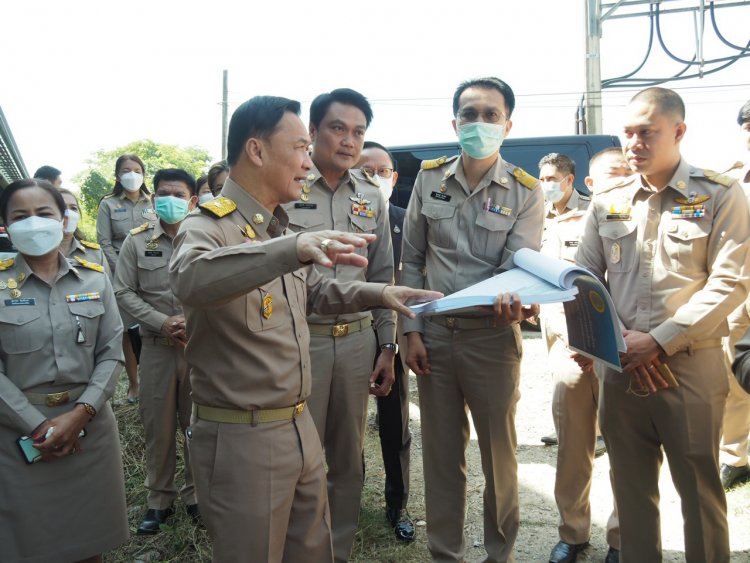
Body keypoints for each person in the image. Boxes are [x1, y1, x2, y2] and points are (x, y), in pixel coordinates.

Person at [168, 95, 440, 563]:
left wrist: (380, 295)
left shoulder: (277, 231)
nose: (306, 158)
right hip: (245, 437)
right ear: (256, 151)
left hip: (297, 426)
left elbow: (314, 293)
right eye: (299, 146)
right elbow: (190, 279)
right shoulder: (209, 225)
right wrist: (290, 248)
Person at [575, 87, 750, 562]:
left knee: (699, 493)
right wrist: (613, 343)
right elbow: (584, 279)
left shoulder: (720, 194)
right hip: (623, 367)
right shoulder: (607, 200)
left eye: (647, 132)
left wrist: (659, 341)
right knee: (630, 496)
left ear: (679, 131)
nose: (634, 143)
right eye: (628, 133)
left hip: (690, 367)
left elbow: (730, 282)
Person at [401, 76, 544, 563]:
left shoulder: (525, 190)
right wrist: (410, 331)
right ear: (455, 122)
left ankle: (499, 554)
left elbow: (519, 267)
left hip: (491, 340)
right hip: (435, 340)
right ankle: (446, 554)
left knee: (499, 459)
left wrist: (517, 300)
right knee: (442, 459)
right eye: (469, 114)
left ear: (508, 124)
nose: (479, 123)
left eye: (490, 114)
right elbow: (411, 260)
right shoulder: (428, 177)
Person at [283, 88, 396, 562]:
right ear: (312, 132)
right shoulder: (288, 185)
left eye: (358, 132)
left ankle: (337, 551)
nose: (349, 141)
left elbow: (383, 273)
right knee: (293, 455)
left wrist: (386, 346)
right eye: (337, 128)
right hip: (296, 341)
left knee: (347, 458)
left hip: (354, 342)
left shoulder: (371, 195)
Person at [0, 179, 128, 563]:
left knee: (91, 542)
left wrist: (80, 413)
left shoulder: (94, 277)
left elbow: (111, 351)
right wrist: (36, 425)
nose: (34, 224)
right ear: (5, 224)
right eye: (20, 216)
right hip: (19, 436)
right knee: (27, 543)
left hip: (90, 430)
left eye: (44, 213)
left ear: (64, 219)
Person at [537, 152, 622, 563]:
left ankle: (622, 537)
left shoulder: (599, 216)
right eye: (543, 177)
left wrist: (599, 343)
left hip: (612, 348)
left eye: (554, 177)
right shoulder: (535, 217)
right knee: (573, 445)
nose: (547, 184)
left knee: (624, 444)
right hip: (565, 348)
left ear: (574, 181)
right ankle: (573, 531)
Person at [114, 168, 198, 535]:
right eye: (163, 193)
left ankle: (196, 495)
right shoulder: (136, 242)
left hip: (199, 349)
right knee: (158, 428)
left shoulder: (206, 238)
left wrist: (193, 322)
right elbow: (123, 292)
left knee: (198, 426)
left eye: (178, 194)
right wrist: (163, 321)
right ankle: (159, 500)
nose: (170, 200)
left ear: (193, 200)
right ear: (153, 198)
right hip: (156, 348)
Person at [356, 140, 415, 542]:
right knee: (345, 428)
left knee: (395, 425)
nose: (376, 178)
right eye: (367, 171)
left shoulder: (406, 219)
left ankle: (398, 503)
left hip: (391, 335)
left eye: (383, 171)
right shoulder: (343, 218)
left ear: (394, 178)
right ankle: (347, 499)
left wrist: (393, 342)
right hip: (348, 333)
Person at [97, 154, 156, 403]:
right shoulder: (108, 204)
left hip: (153, 271)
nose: (132, 174)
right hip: (123, 276)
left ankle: (156, 380)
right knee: (128, 331)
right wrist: (123, 266)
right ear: (117, 176)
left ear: (143, 174)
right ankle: (134, 384)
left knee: (154, 326)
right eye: (126, 170)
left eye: (137, 169)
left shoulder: (154, 202)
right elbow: (104, 241)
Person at [718, 98, 750, 490]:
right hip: (740, 296)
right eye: (747, 124)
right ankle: (736, 455)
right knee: (734, 377)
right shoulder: (728, 181)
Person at [57, 187, 110, 274]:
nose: (68, 214)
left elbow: (108, 285)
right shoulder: (38, 254)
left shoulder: (95, 253)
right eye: (61, 208)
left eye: (73, 208)